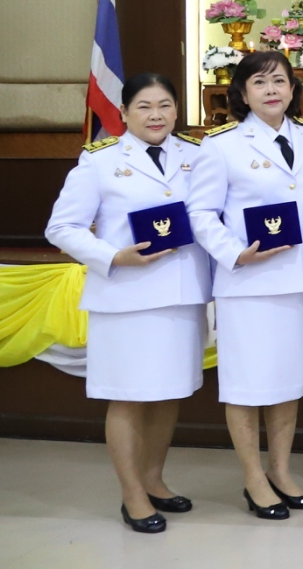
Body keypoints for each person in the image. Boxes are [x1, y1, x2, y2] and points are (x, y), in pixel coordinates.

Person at [46, 73, 212, 533]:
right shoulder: (99, 161)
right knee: (127, 397)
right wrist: (113, 256)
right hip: (124, 298)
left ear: (177, 111)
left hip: (181, 295)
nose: (155, 115)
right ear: (123, 113)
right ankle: (132, 495)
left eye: (164, 105)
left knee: (168, 392)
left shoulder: (198, 157)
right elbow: (61, 228)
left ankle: (155, 480)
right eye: (143, 106)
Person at [188, 51, 303, 519]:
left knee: (289, 382)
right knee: (246, 385)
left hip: (299, 282)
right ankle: (253, 479)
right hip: (247, 283)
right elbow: (201, 214)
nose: (272, 90)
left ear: (293, 89)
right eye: (260, 82)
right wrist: (233, 253)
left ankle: (282, 470)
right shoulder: (222, 144)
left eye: (280, 81)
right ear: (243, 93)